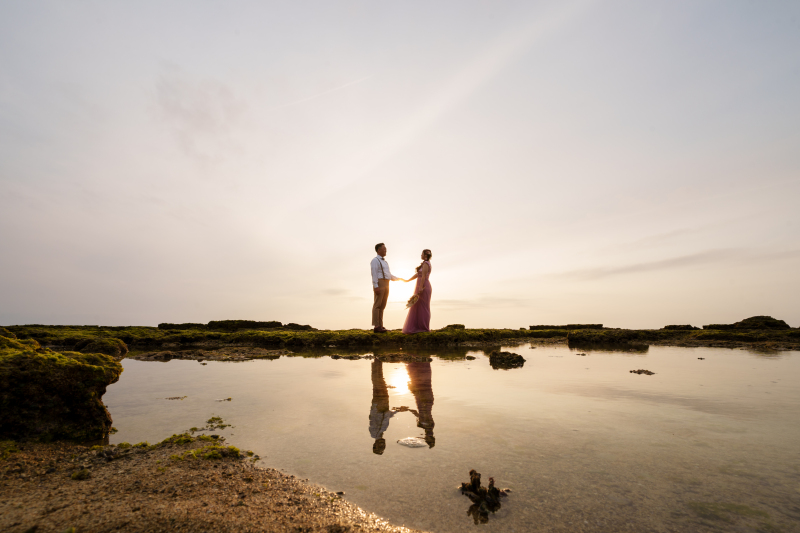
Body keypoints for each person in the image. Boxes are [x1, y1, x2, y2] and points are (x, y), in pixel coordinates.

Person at [370, 243, 403, 333]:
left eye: (386, 249)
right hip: (380, 283)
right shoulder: (375, 260)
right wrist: (376, 286)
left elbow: (388, 274)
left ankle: (380, 325)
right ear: (379, 250)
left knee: (383, 305)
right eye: (384, 249)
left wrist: (398, 279)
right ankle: (376, 326)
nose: (386, 250)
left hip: (387, 283)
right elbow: (374, 274)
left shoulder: (385, 262)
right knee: (377, 305)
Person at [402, 249, 432, 334]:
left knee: (423, 307)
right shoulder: (423, 264)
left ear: (425, 255)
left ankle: (424, 327)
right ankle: (417, 326)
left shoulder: (426, 263)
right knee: (417, 306)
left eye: (421, 254)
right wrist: (408, 280)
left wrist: (421, 287)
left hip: (424, 286)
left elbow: (423, 276)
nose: (421, 255)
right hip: (420, 286)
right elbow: (418, 274)